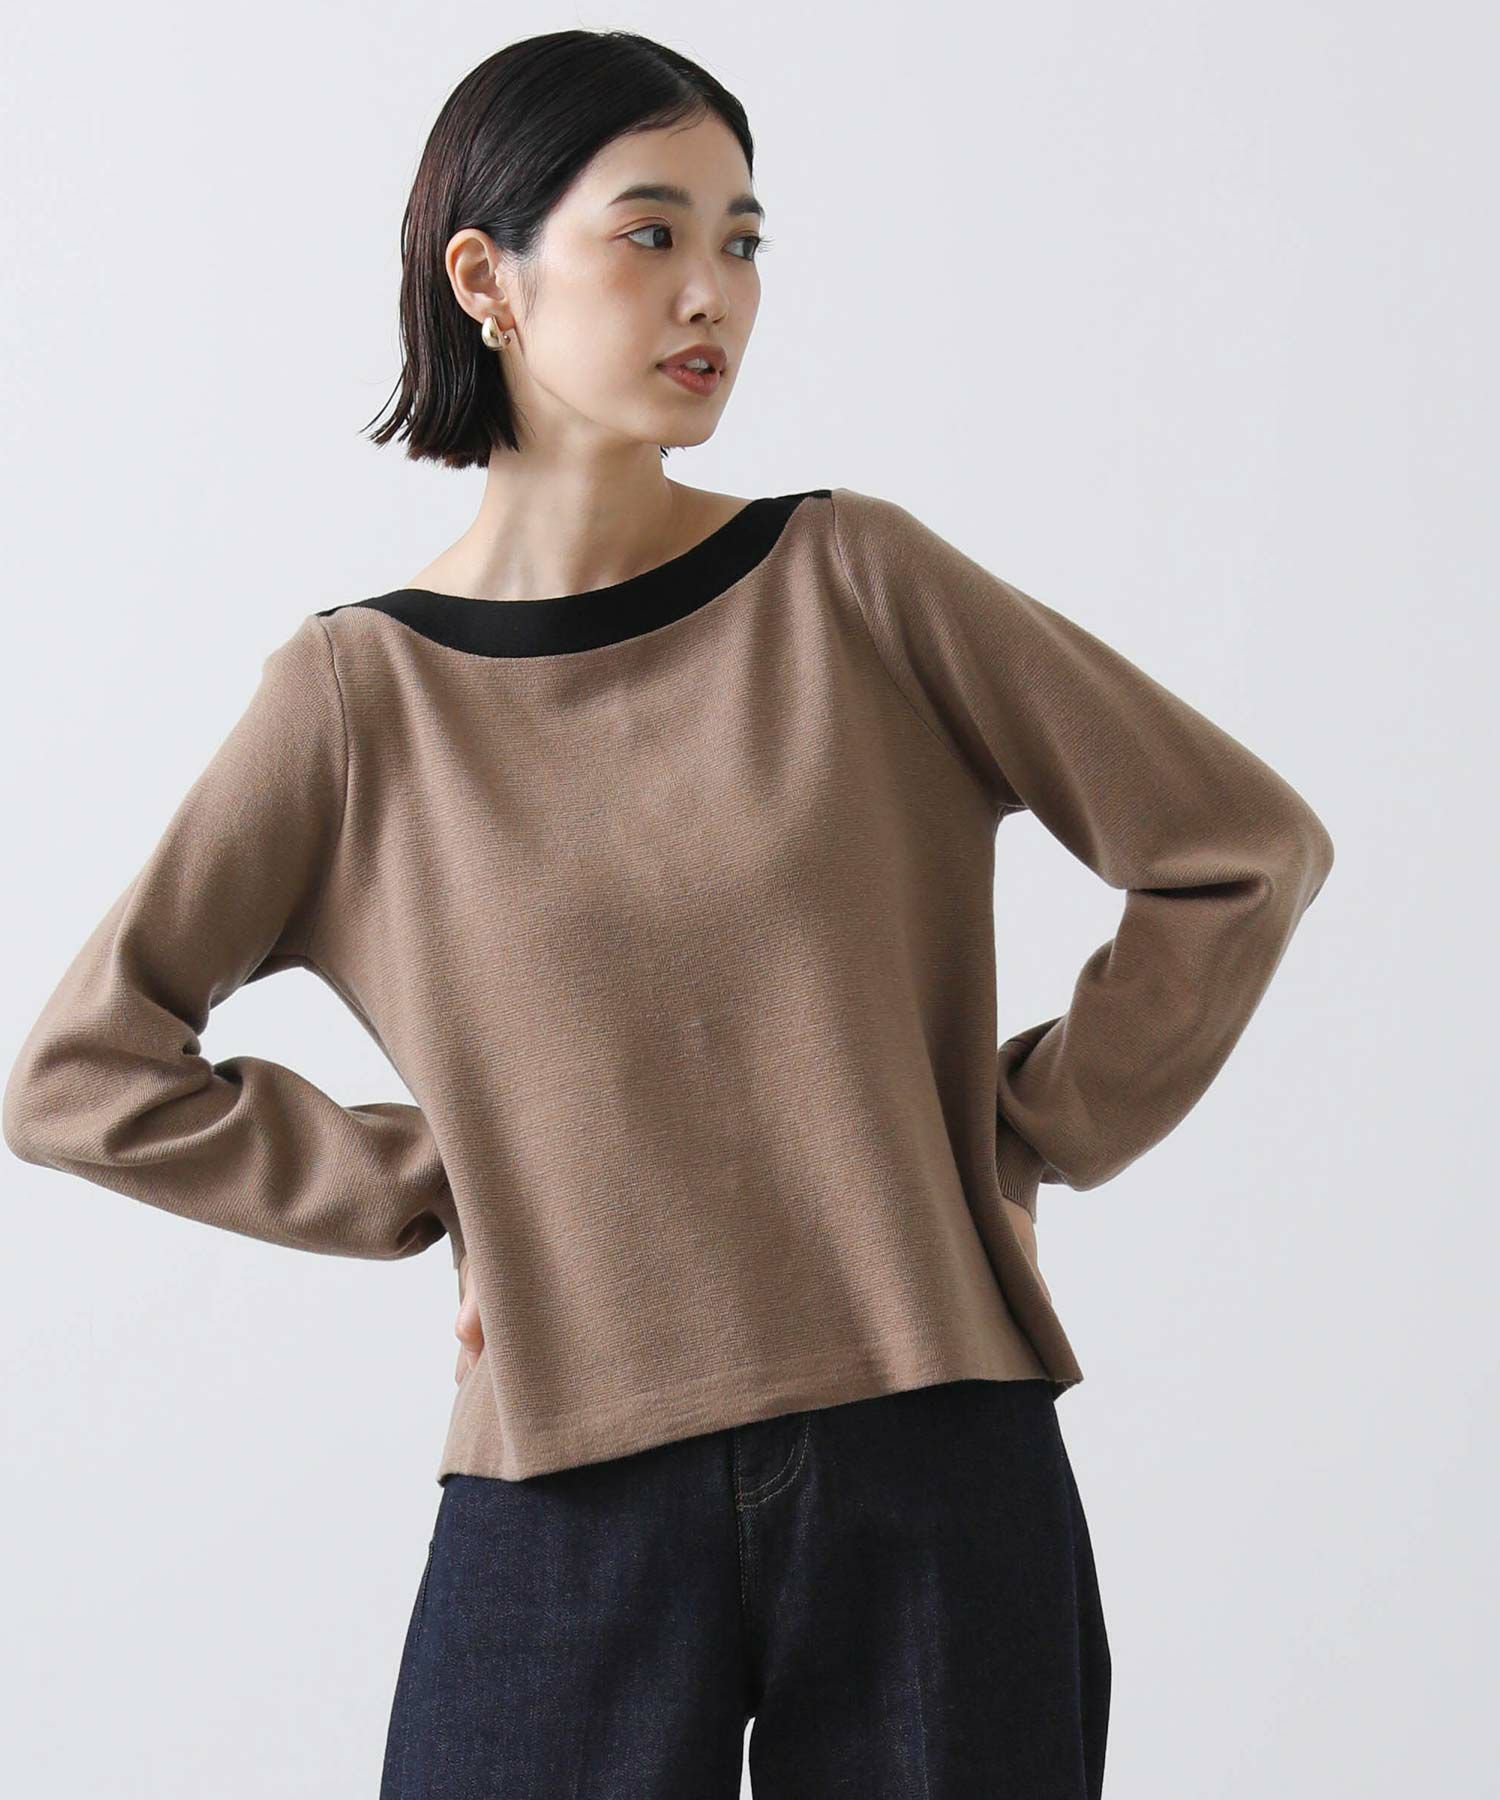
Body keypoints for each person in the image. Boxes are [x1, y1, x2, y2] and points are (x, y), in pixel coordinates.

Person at [2, 28, 1335, 1800]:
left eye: (743, 239)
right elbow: (83, 1077)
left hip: (933, 1458)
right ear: (485, 277)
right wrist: (443, 1179)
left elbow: (1236, 850)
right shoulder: (356, 703)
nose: (714, 292)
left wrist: (1030, 1131)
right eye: (652, 234)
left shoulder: (857, 582)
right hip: (567, 1485)